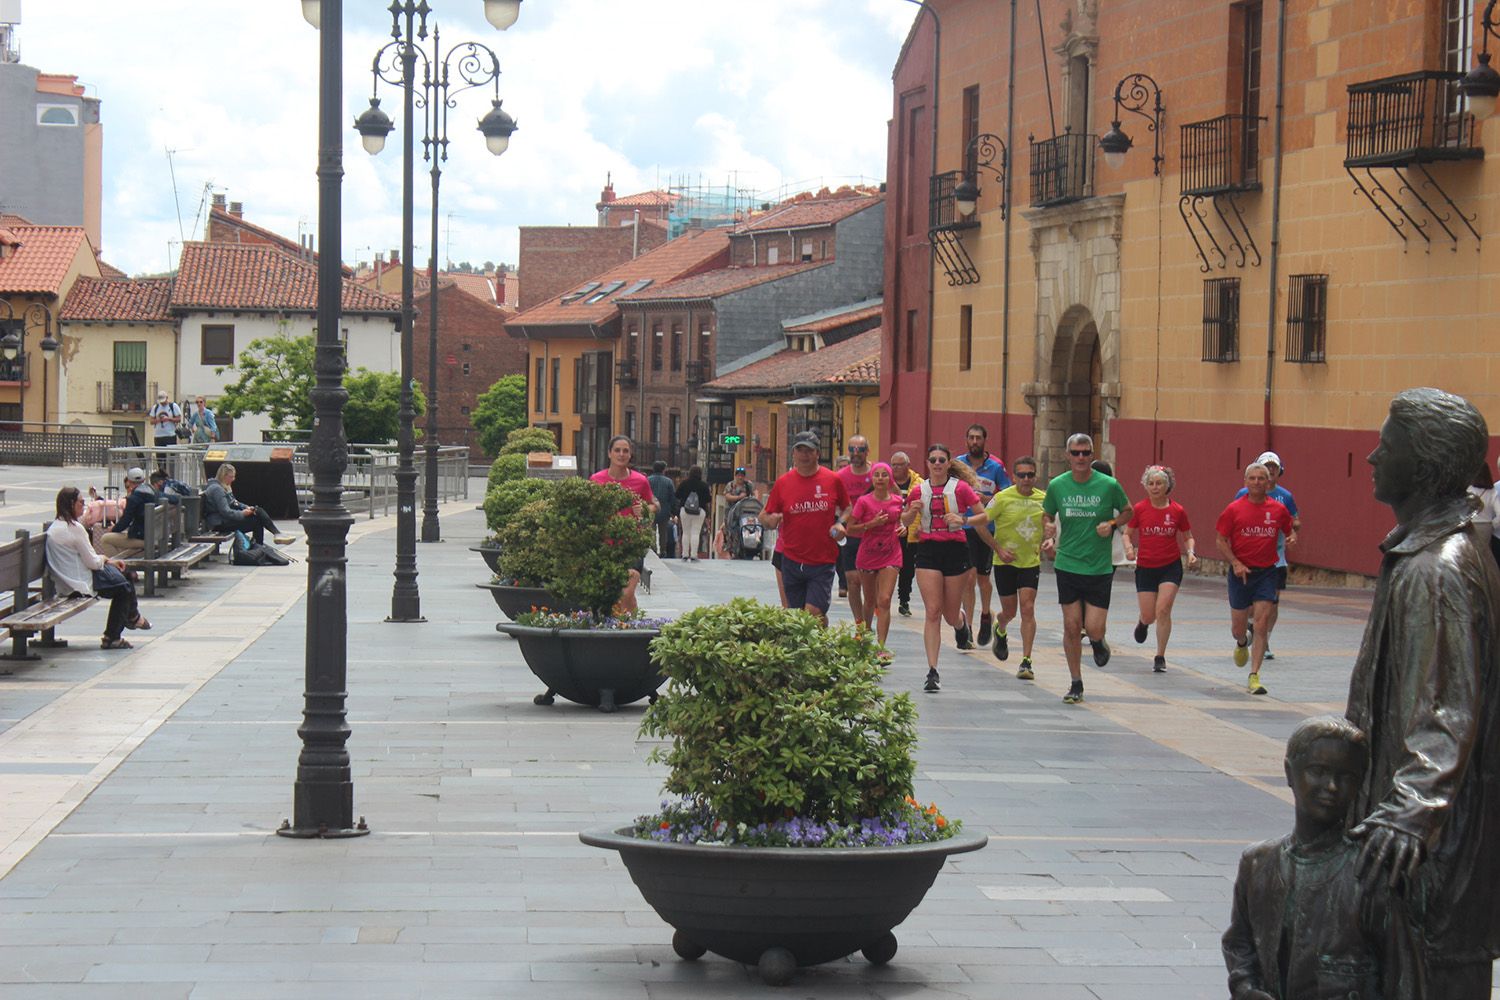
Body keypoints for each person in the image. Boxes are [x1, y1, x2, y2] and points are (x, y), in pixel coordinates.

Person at [1346, 388, 1500, 998]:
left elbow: (1446, 708)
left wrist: (1409, 815)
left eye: (1389, 444)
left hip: (1433, 849)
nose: (1372, 456)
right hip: (1441, 839)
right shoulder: (1436, 553)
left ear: (1426, 463)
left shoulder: (1437, 569)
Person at [1222, 716, 1405, 1000]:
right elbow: (1239, 943)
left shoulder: (1370, 874)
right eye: (1318, 771)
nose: (1331, 786)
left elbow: (1401, 975)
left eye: (1346, 776)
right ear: (1289, 772)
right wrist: (1245, 987)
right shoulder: (1257, 864)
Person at [1041, 433, 1131, 705]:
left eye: (1085, 453)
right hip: (1067, 562)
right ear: (1067, 456)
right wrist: (1049, 527)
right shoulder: (1058, 485)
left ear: (1092, 455)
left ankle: (1098, 641)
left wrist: (1112, 525)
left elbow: (1128, 511)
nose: (1080, 458)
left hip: (1099, 566)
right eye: (1075, 453)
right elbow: (1047, 512)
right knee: (1071, 626)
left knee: (1092, 627)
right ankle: (1075, 682)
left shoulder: (1108, 485)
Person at [901, 443, 993, 693]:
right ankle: (932, 670)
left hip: (955, 550)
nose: (938, 463)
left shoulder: (960, 488)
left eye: (942, 459)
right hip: (928, 550)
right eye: (933, 459)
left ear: (948, 462)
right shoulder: (918, 490)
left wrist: (964, 520)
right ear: (928, 463)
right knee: (933, 611)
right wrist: (912, 512)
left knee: (950, 614)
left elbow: (984, 516)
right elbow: (905, 520)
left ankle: (961, 624)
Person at [1215, 462, 1295, 696]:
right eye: (1253, 478)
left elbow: (1290, 529)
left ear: (1269, 482)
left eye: (1262, 478)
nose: (1258, 482)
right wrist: (1236, 562)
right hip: (1241, 574)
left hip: (1267, 572)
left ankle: (1254, 676)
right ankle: (1241, 642)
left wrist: (1291, 538)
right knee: (1238, 628)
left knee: (1261, 624)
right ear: (1246, 482)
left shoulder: (1278, 510)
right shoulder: (1233, 509)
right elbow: (1220, 540)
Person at [758, 431, 850, 624]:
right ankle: (820, 641)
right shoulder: (783, 483)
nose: (804, 455)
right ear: (793, 454)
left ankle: (819, 632)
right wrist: (771, 520)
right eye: (800, 450)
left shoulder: (832, 480)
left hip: (822, 560)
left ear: (817, 453)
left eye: (809, 450)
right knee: (798, 619)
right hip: (792, 560)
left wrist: (840, 523)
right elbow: (764, 516)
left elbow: (847, 507)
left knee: (812, 613)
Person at [46, 486, 151, 649]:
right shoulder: (74, 528)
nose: (84, 506)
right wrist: (105, 559)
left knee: (124, 577)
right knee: (123, 588)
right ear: (71, 504)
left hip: (70, 578)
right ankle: (115, 635)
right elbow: (93, 563)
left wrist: (108, 561)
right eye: (81, 502)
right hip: (79, 582)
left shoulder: (57, 526)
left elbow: (90, 560)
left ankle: (132, 618)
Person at [1122, 465, 1197, 673]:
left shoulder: (1177, 510)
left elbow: (1188, 535)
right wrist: (1129, 549)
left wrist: (1190, 552)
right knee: (1150, 615)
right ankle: (1143, 622)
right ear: (1145, 486)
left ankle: (1160, 655)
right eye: (1151, 483)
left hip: (1170, 566)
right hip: (1145, 566)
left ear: (1167, 486)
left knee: (1163, 609)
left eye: (1159, 483)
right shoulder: (1139, 509)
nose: (1155, 487)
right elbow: (1127, 533)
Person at [983, 455, 1047, 680]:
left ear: (1035, 476)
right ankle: (1000, 627)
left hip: (1030, 562)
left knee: (1027, 608)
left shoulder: (1044, 499)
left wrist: (1050, 539)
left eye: (1030, 475)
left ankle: (1026, 661)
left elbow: (1053, 524)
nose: (1026, 479)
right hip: (1005, 563)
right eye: (1022, 475)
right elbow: (981, 523)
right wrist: (997, 549)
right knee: (1010, 611)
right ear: (1013, 477)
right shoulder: (1002, 498)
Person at [1233, 451, 1300, 661]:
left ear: (1280, 470)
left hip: (1276, 558)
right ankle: (1250, 628)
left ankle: (1265, 639)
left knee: (1272, 603)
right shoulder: (1242, 494)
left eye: (1274, 467)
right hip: (1248, 557)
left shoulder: (1285, 496)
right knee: (1251, 607)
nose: (1271, 470)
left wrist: (1289, 530)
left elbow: (1295, 521)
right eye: (1267, 466)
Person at [954, 424, 1011, 649]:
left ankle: (985, 614)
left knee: (983, 579)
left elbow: (1006, 494)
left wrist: (987, 500)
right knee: (967, 579)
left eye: (978, 438)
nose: (974, 442)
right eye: (971, 438)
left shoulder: (996, 466)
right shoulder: (958, 464)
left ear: (985, 441)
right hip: (963, 527)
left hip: (986, 528)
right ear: (966, 440)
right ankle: (967, 627)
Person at [589, 435, 657, 613]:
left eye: (625, 451)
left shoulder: (641, 481)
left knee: (626, 593)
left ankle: (628, 627)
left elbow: (654, 504)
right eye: (617, 450)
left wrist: (643, 509)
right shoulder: (596, 480)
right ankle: (631, 623)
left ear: (630, 454)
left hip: (631, 544)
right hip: (605, 545)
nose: (621, 454)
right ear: (609, 453)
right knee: (612, 596)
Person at [847, 461, 904, 651]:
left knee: (885, 599)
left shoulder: (897, 501)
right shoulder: (864, 502)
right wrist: (871, 524)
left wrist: (903, 528)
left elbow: (902, 521)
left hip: (891, 554)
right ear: (872, 478)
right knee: (870, 600)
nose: (880, 478)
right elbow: (850, 528)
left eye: (884, 475)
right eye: (877, 475)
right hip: (868, 555)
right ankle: (865, 633)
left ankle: (881, 647)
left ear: (890, 479)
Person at [836, 434, 876, 626]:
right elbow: (834, 502)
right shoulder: (840, 477)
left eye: (860, 449)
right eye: (852, 449)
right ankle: (859, 623)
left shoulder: (877, 472)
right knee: (853, 580)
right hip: (851, 533)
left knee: (870, 584)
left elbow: (892, 493)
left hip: (874, 534)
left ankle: (868, 623)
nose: (855, 453)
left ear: (867, 452)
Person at [204, 462, 292, 548]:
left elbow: (234, 502)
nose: (233, 479)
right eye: (231, 477)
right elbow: (226, 512)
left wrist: (246, 507)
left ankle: (269, 539)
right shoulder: (217, 490)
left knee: (257, 512)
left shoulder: (222, 487)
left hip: (224, 520)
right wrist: (243, 514)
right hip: (220, 523)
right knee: (256, 521)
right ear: (224, 476)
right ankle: (266, 541)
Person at [889, 451, 922, 617]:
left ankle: (904, 600)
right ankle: (883, 599)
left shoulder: (919, 485)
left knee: (907, 568)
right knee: (887, 567)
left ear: (908, 466)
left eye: (899, 464)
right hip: (888, 532)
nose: (895, 468)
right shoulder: (884, 482)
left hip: (910, 533)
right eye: (893, 464)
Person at [98, 468, 153, 558]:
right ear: (144, 480)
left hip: (142, 538)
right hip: (154, 536)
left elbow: (125, 521)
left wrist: (113, 530)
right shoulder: (152, 491)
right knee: (119, 543)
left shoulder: (133, 498)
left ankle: (119, 568)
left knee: (106, 539)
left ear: (130, 482)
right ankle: (128, 571)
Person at [674, 465, 711, 562]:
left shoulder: (684, 483)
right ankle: (694, 555)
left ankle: (685, 554)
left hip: (685, 511)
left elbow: (677, 495)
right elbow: (708, 499)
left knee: (685, 532)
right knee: (695, 532)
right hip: (700, 511)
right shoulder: (703, 485)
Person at [646, 461, 677, 560]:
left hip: (651, 509)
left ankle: (653, 548)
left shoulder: (648, 480)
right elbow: (672, 497)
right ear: (663, 470)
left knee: (652, 530)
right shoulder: (668, 481)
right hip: (664, 510)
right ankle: (663, 551)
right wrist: (673, 511)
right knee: (663, 532)